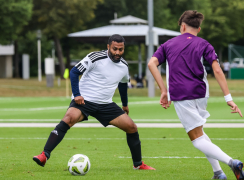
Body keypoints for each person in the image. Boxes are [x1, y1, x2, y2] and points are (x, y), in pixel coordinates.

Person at [148, 10, 244, 180]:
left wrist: (164, 90)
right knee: (200, 132)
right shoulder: (204, 43)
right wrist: (228, 98)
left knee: (196, 139)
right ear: (198, 29)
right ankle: (218, 173)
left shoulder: (168, 44)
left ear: (182, 26)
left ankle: (232, 162)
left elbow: (151, 64)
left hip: (181, 94)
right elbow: (217, 70)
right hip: (202, 94)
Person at [33, 34, 155, 170]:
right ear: (108, 47)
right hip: (85, 101)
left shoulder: (124, 66)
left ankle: (138, 165)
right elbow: (74, 72)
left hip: (106, 104)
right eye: (115, 49)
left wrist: (125, 104)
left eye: (121, 50)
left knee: (131, 127)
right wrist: (77, 95)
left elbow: (122, 85)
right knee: (68, 119)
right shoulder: (95, 57)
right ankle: (44, 155)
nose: (117, 53)